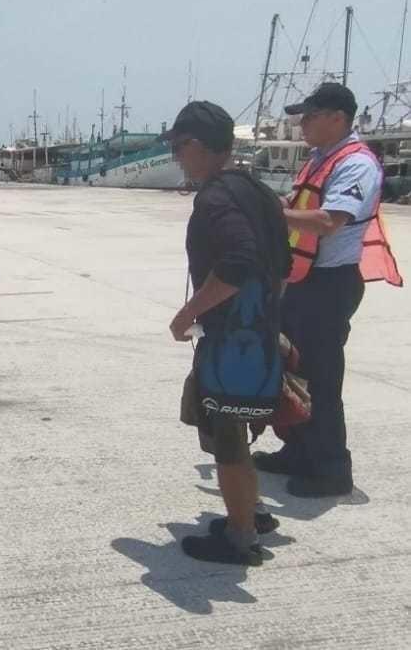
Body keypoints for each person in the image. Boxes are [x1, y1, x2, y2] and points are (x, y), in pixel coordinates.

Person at [253, 83, 402, 497]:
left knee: (320, 376)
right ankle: (298, 450)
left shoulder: (355, 164)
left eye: (311, 116)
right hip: (304, 281)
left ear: (337, 117)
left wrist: (272, 213)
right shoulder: (321, 160)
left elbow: (328, 221)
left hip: (330, 284)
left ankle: (333, 468)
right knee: (292, 370)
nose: (302, 124)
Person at [166, 101, 291, 566]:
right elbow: (283, 265)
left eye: (180, 148)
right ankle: (253, 513)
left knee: (228, 438)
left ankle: (241, 537)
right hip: (258, 334)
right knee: (235, 426)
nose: (178, 158)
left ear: (197, 146)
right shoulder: (256, 190)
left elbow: (237, 263)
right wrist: (267, 318)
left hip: (232, 341)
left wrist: (187, 315)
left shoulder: (216, 197)